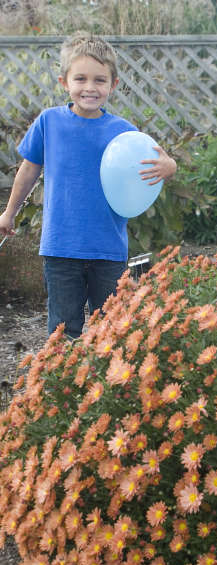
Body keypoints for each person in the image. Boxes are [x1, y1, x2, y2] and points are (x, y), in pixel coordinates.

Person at [0, 31, 176, 339]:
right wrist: (8, 213)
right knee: (63, 331)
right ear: (64, 82)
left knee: (112, 330)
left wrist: (169, 167)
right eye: (80, 79)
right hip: (60, 248)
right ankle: (63, 386)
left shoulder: (123, 132)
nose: (90, 88)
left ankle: (105, 384)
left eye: (99, 80)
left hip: (107, 249)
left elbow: (157, 162)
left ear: (114, 85)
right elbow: (28, 170)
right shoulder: (49, 122)